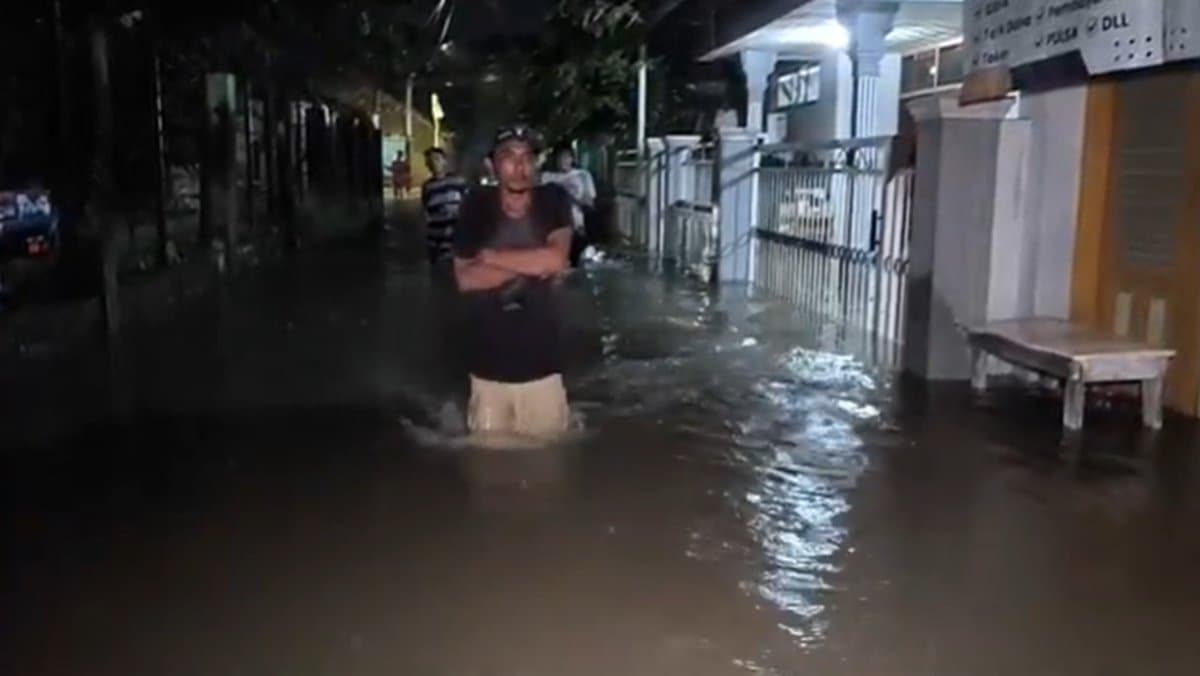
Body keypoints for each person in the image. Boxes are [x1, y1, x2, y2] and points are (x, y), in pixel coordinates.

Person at [452, 125, 573, 438]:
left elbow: (556, 259)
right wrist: (534, 262)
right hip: (487, 372)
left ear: (537, 164)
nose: (519, 166)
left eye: (527, 157)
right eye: (509, 156)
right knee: (486, 473)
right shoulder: (476, 206)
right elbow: (466, 278)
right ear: (491, 165)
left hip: (543, 372)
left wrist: (491, 258)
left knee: (550, 472)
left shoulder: (553, 200)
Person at [541, 146, 596, 267]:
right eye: (560, 157)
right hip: (551, 230)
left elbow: (589, 204)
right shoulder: (545, 177)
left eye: (566, 157)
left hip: (575, 227)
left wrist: (569, 197)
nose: (563, 161)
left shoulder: (582, 176)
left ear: (572, 159)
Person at [420, 147, 468, 267]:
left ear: (444, 161)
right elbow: (426, 211)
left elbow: (469, 205)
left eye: (437, 159)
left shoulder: (458, 181)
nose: (433, 163)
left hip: (456, 238)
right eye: (429, 161)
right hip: (436, 238)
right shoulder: (427, 187)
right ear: (427, 164)